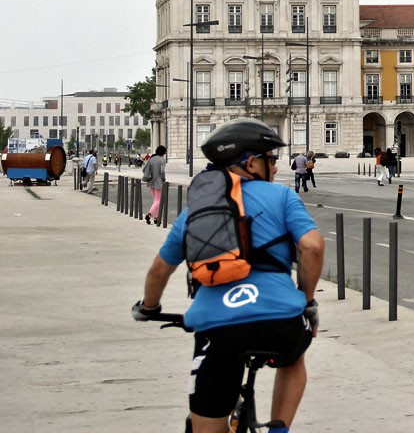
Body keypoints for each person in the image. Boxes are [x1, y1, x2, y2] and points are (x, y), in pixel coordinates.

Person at [131, 118, 325, 433]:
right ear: (250, 163)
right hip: (278, 320)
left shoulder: (199, 207)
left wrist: (148, 307)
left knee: (206, 425)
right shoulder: (283, 197)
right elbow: (313, 248)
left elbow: (158, 270)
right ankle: (279, 430)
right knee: (293, 357)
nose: (275, 169)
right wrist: (306, 301)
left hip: (217, 327)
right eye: (271, 160)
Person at [144, 145, 168, 224]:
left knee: (156, 201)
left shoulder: (152, 158)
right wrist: (163, 179)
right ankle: (149, 214)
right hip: (158, 182)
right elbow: (162, 172)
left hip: (151, 181)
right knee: (158, 200)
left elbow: (144, 169)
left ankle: (156, 218)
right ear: (163, 152)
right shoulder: (162, 160)